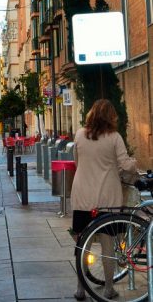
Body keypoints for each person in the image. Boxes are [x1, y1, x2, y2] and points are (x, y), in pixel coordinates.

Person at [70, 99, 137, 301]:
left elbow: (76, 162)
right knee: (108, 245)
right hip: (107, 198)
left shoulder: (80, 134)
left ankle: (80, 289)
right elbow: (125, 165)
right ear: (110, 117)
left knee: (82, 245)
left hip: (82, 196)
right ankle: (108, 288)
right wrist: (134, 164)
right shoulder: (114, 137)